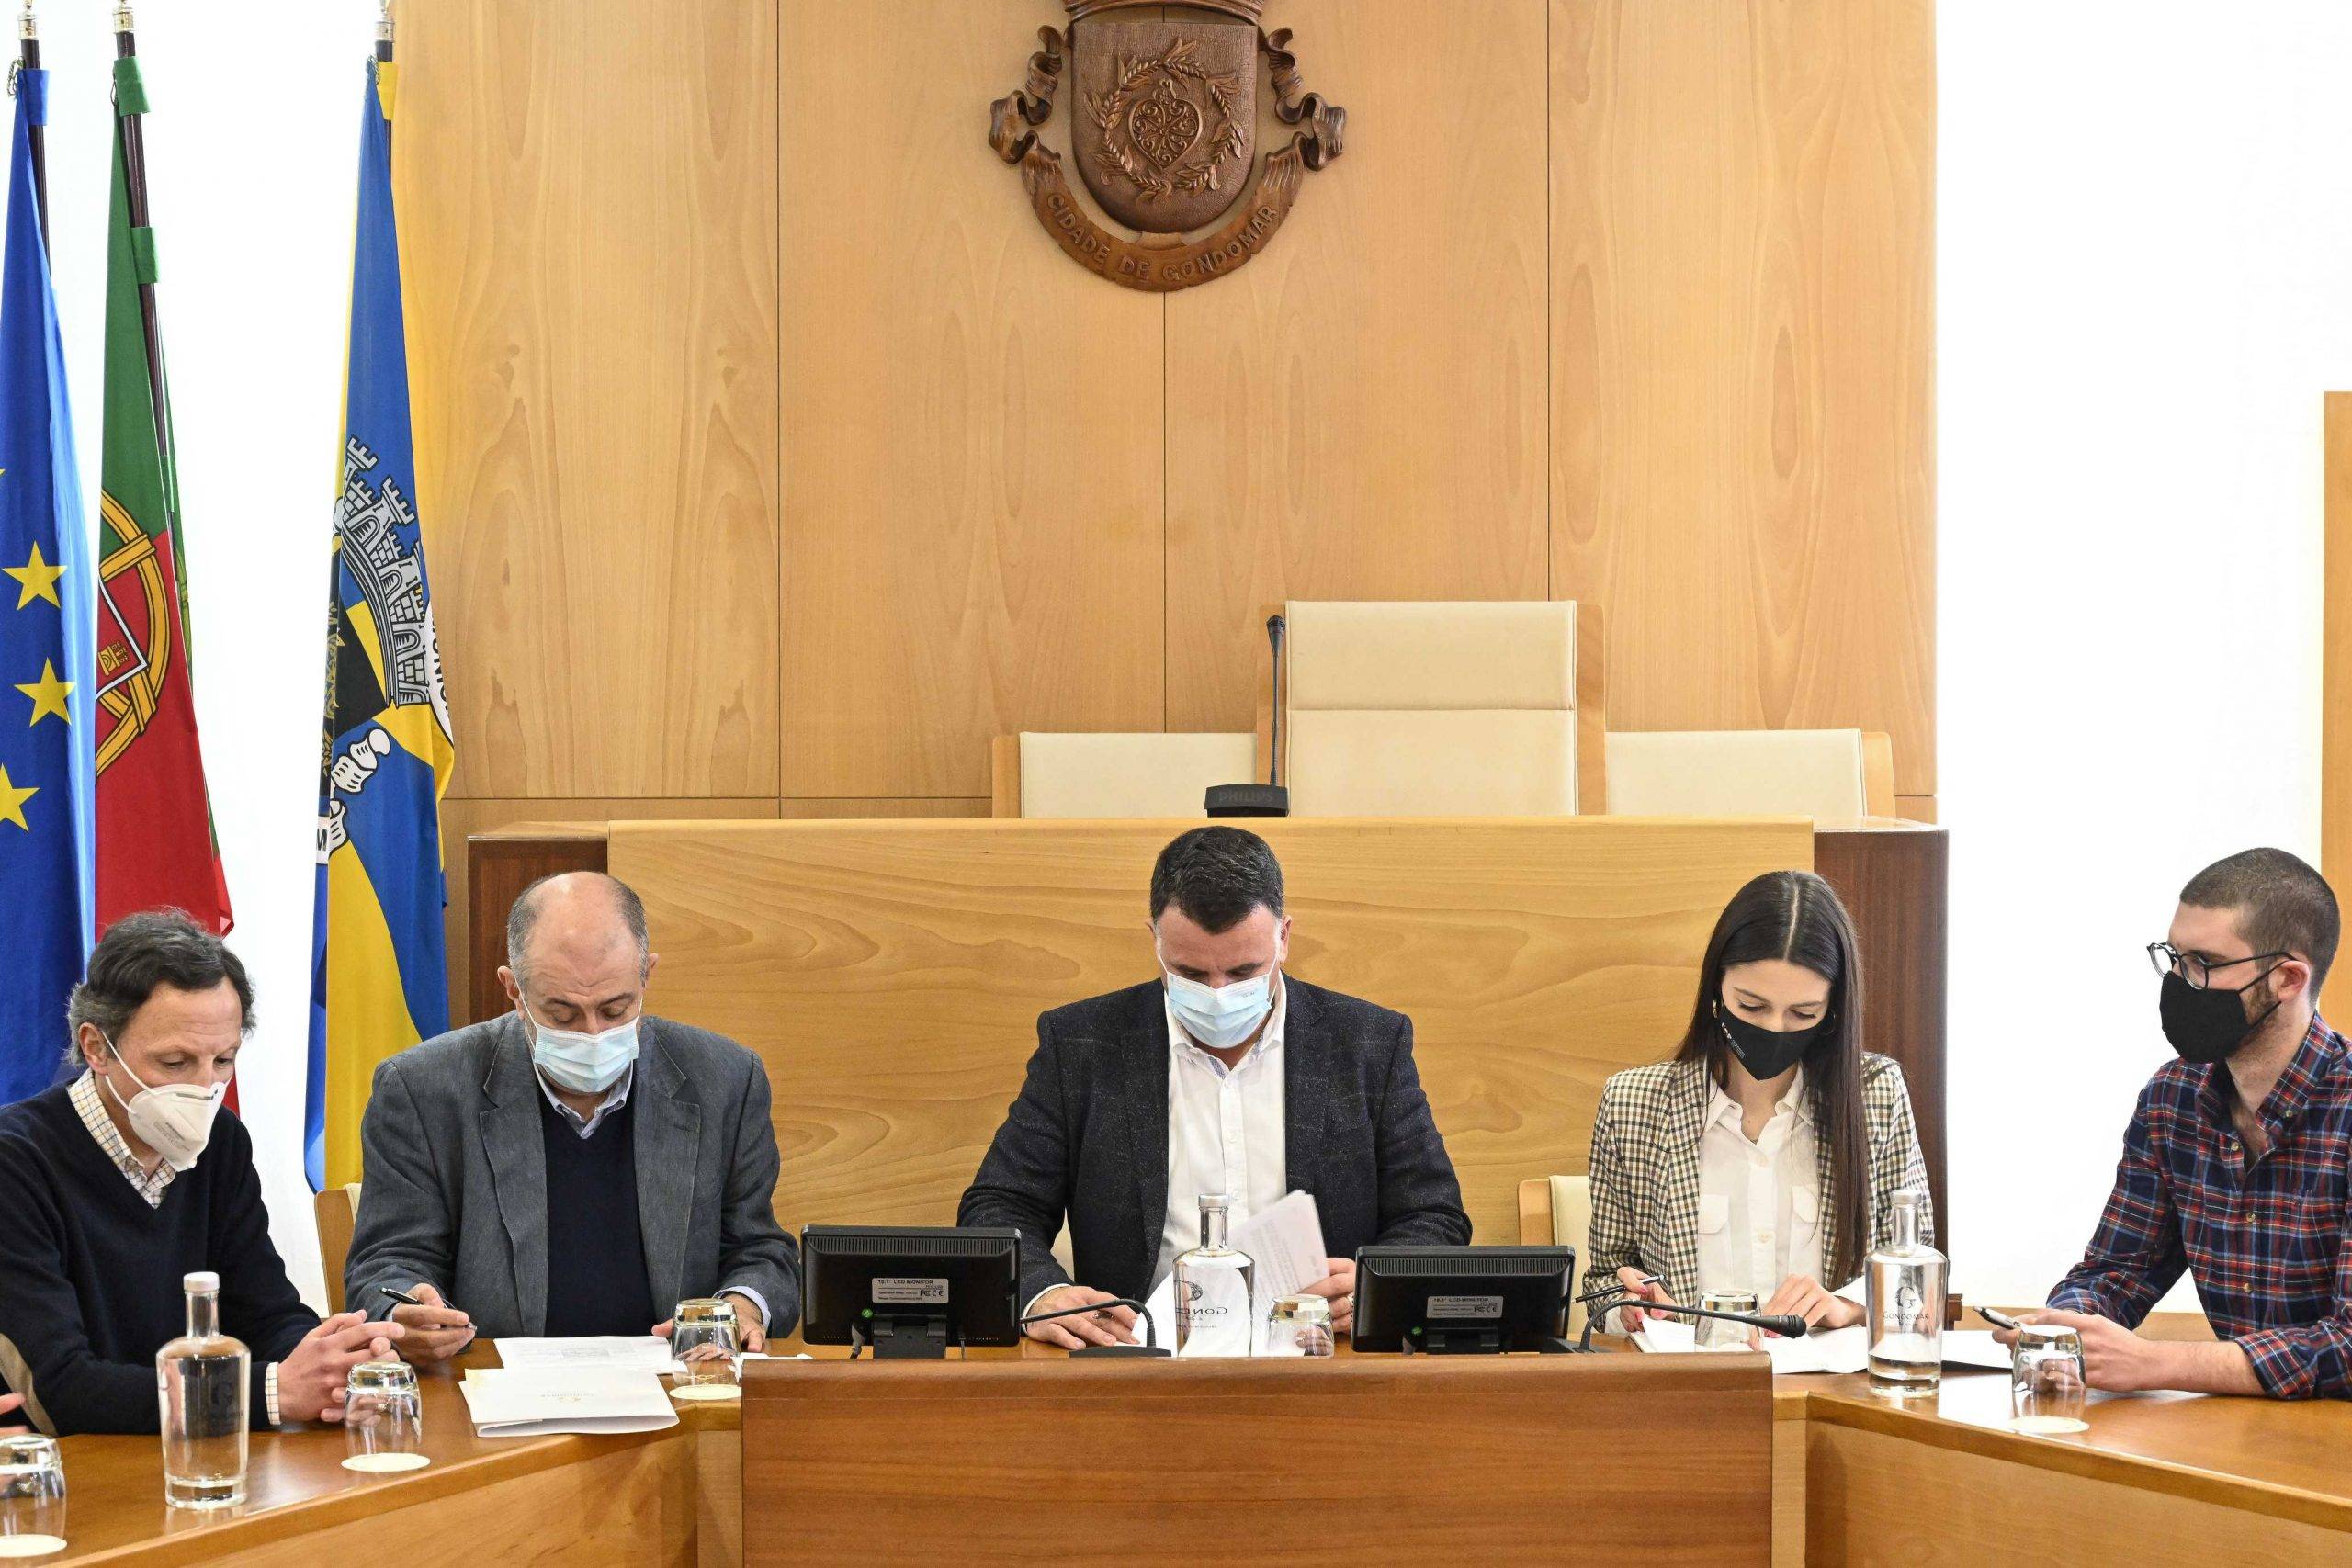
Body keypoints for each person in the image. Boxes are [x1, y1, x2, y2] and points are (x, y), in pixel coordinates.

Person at [958, 826, 1471, 1348]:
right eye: (1191, 973)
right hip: (1136, 1357)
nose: (1219, 994)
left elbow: (1434, 1215)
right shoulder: (1082, 1044)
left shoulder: (1367, 1044)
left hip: (1319, 1357)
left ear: (1284, 938)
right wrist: (1043, 1295)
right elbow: (999, 1207)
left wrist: (1374, 1287)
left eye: (1244, 971)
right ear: (1155, 940)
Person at [345, 872, 799, 1358]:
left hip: (677, 1381)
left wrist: (742, 1306)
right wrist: (406, 1310)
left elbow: (760, 1251)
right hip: (494, 1386)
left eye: (616, 1009)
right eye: (562, 1014)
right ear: (513, 989)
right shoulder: (422, 1089)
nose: (592, 1034)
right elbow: (386, 1264)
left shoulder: (725, 1079)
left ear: (646, 975)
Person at [0, 911, 402, 1436]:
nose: (203, 1087)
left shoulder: (222, 1142)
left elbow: (265, 1313)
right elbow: (61, 1390)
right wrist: (272, 1392)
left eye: (224, 1060)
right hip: (70, 1464)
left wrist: (332, 1366)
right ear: (97, 1047)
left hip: (204, 1454)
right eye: (174, 1062)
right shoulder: (16, 1161)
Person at [1996, 849, 2352, 1398]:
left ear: (2287, 979)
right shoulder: (2173, 1098)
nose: (2180, 981)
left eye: (2203, 963)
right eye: (2174, 957)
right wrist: (2063, 1335)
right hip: (2242, 1428)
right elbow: (2118, 1272)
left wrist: (2158, 1363)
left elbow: (2347, 1348)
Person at [1586, 870, 1932, 1335]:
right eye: (1751, 1006)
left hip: (1827, 1377)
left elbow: (1917, 1282)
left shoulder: (1876, 1094)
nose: (1774, 1029)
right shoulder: (1633, 1105)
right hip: (1691, 1374)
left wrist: (1848, 1307)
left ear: (1833, 1007)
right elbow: (1602, 1281)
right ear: (1716, 988)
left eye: (1803, 1013)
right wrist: (1628, 1305)